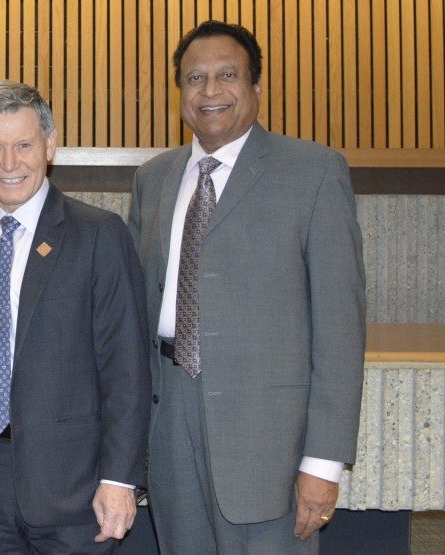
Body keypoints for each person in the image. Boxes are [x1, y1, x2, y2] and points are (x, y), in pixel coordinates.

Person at [128, 20, 365, 553]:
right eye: (194, 78)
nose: (209, 91)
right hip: (169, 424)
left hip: (268, 439)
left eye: (227, 75)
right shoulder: (153, 178)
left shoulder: (314, 172)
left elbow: (340, 330)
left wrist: (323, 462)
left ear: (256, 86)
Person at [0, 81, 151, 553]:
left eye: (24, 145)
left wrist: (120, 478)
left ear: (50, 145)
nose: (9, 163)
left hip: (75, 480)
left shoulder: (98, 235)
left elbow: (127, 368)